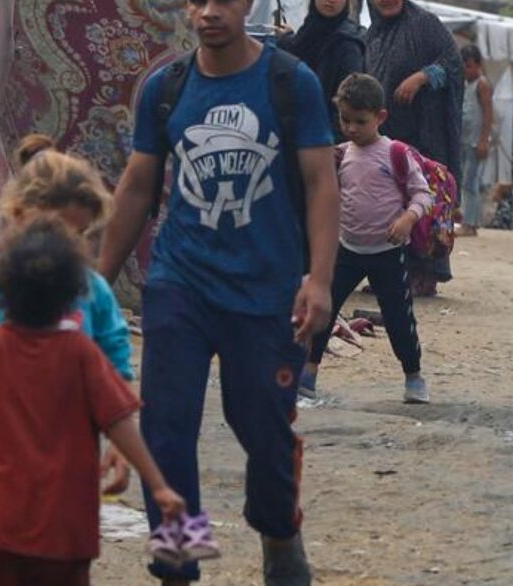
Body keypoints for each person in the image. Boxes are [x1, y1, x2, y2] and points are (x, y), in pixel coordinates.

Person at [97, 0, 338, 582]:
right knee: (165, 426)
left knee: (261, 427)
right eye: (198, 1)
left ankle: (279, 532)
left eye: (223, 0)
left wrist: (322, 280)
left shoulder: (289, 82)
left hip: (265, 291)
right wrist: (94, 279)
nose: (209, 12)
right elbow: (136, 188)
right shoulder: (166, 88)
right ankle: (178, 559)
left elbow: (320, 181)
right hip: (180, 281)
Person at [0, 220, 190, 586]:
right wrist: (157, 484)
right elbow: (119, 419)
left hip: (0, 520)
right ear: (72, 297)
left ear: (0, 288)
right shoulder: (82, 352)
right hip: (68, 525)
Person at [0, 145, 136, 494]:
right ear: (18, 213)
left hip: (72, 471)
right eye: (56, 231)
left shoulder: (92, 290)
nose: (65, 247)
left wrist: (121, 447)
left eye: (77, 235)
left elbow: (117, 370)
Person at [303, 73, 434, 404]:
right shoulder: (341, 154)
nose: (351, 128)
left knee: (398, 319)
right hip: (346, 249)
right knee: (323, 311)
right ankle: (308, 374)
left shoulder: (396, 154)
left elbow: (423, 195)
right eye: (345, 120)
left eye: (360, 121)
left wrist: (407, 218)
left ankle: (414, 377)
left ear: (380, 117)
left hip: (387, 254)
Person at [365, 0, 463, 297]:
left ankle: (425, 274)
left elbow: (453, 65)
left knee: (424, 202)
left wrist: (422, 77)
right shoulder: (373, 35)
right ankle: (393, 273)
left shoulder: (424, 24)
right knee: (391, 204)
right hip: (391, 138)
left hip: (427, 137)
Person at [278, 0, 365, 136]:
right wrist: (286, 39)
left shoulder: (348, 45)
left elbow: (348, 104)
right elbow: (298, 49)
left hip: (323, 137)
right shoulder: (307, 32)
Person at [459, 44, 495, 236]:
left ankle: (470, 224)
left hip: (475, 141)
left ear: (479, 65)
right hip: (464, 140)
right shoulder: (465, 83)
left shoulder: (482, 84)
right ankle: (468, 220)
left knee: (470, 183)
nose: (467, 70)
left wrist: (483, 140)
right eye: (464, 66)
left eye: (470, 66)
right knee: (465, 181)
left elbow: (488, 113)